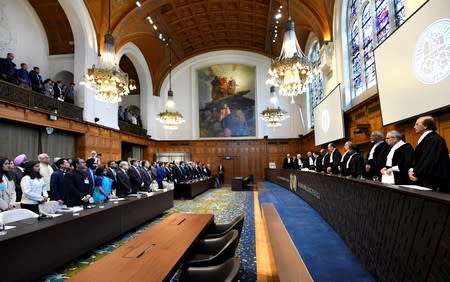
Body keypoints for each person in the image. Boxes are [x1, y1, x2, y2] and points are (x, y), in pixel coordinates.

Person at [408, 116, 450, 192]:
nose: (414, 127)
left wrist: (416, 174)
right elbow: (419, 158)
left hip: (431, 181)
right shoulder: (427, 138)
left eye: (417, 124)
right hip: (424, 178)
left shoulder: (434, 139)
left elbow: (429, 160)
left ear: (425, 126)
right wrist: (411, 170)